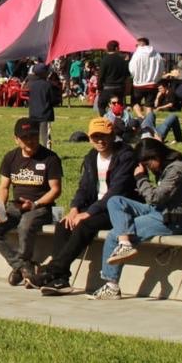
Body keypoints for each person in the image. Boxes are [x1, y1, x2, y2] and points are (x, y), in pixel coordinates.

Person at [30, 117, 138, 295]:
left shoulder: (125, 156)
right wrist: (74, 209)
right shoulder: (91, 157)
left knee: (85, 224)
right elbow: (84, 188)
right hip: (96, 206)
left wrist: (88, 213)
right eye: (95, 137)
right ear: (89, 138)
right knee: (64, 224)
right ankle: (60, 280)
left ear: (112, 136)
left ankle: (51, 270)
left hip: (119, 209)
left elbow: (117, 191)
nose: (100, 141)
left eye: (104, 136)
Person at [89, 138, 182, 300]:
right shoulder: (168, 166)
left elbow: (155, 197)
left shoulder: (177, 170)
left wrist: (141, 178)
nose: (148, 168)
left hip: (170, 220)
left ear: (156, 156)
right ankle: (125, 244)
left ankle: (111, 286)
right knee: (115, 201)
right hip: (158, 211)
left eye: (147, 164)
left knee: (113, 235)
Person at [0, 117, 63, 286]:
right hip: (16, 206)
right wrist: (0, 207)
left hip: (41, 207)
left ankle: (21, 268)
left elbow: (55, 190)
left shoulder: (50, 158)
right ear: (16, 139)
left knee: (25, 225)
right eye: (24, 137)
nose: (30, 141)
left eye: (33, 136)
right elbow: (3, 187)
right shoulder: (10, 157)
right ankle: (22, 266)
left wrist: (35, 204)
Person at [25, 62, 58, 147]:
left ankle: (34, 150)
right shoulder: (48, 85)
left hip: (33, 114)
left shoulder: (32, 85)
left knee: (34, 136)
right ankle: (46, 152)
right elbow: (54, 100)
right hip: (45, 115)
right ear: (44, 73)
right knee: (45, 137)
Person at [128, 37, 163, 107]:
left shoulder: (137, 54)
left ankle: (140, 114)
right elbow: (161, 69)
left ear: (141, 44)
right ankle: (148, 115)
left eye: (137, 45)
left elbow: (132, 69)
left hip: (139, 84)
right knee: (149, 106)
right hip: (152, 84)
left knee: (135, 103)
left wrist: (136, 77)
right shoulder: (157, 54)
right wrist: (156, 79)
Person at [96, 40, 128, 115]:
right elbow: (126, 74)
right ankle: (118, 119)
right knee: (119, 107)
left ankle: (105, 119)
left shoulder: (105, 60)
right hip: (119, 88)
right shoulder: (122, 60)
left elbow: (101, 76)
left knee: (101, 105)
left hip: (107, 87)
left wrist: (99, 87)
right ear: (116, 48)